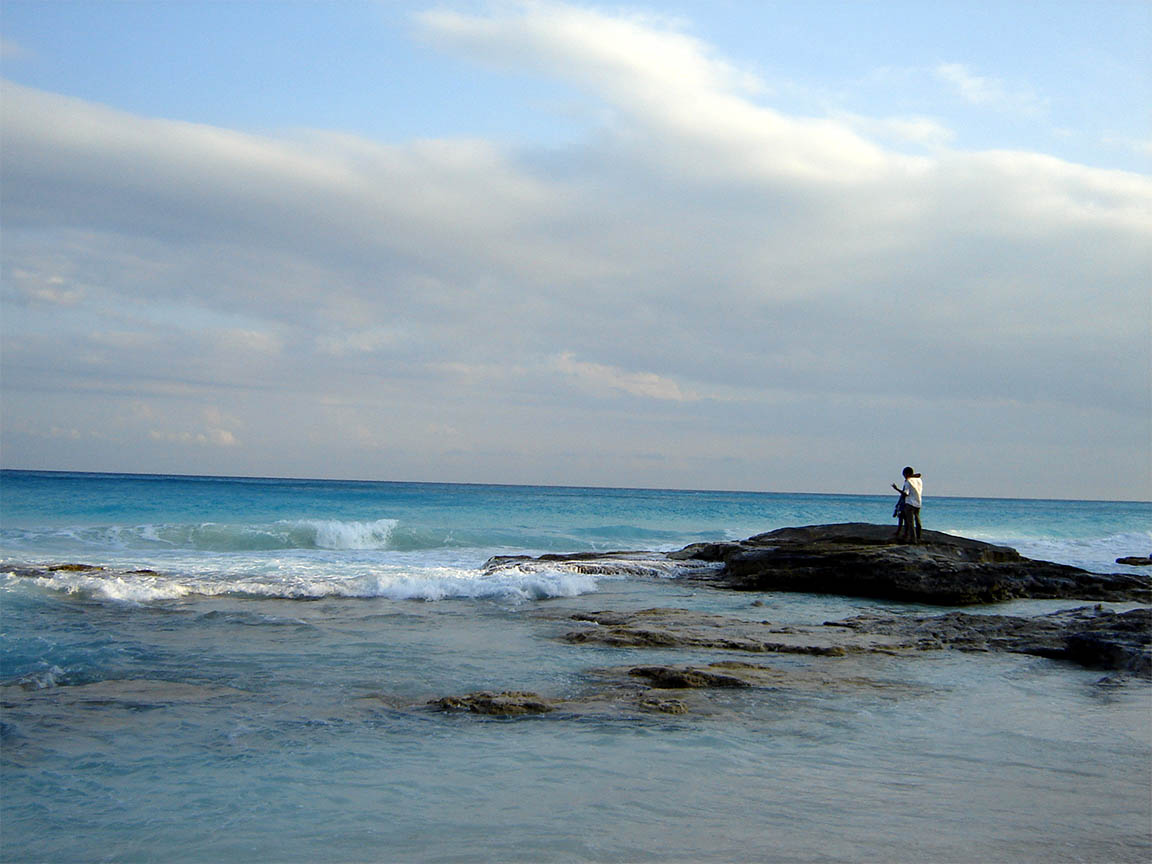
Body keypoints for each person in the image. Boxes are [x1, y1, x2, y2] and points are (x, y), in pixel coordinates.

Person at [891, 467, 922, 542]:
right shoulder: (919, 480)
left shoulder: (908, 481)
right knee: (917, 520)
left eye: (904, 474)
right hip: (918, 502)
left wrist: (896, 489)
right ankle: (919, 536)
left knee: (910, 522)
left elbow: (906, 493)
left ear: (907, 474)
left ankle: (913, 539)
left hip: (910, 503)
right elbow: (919, 475)